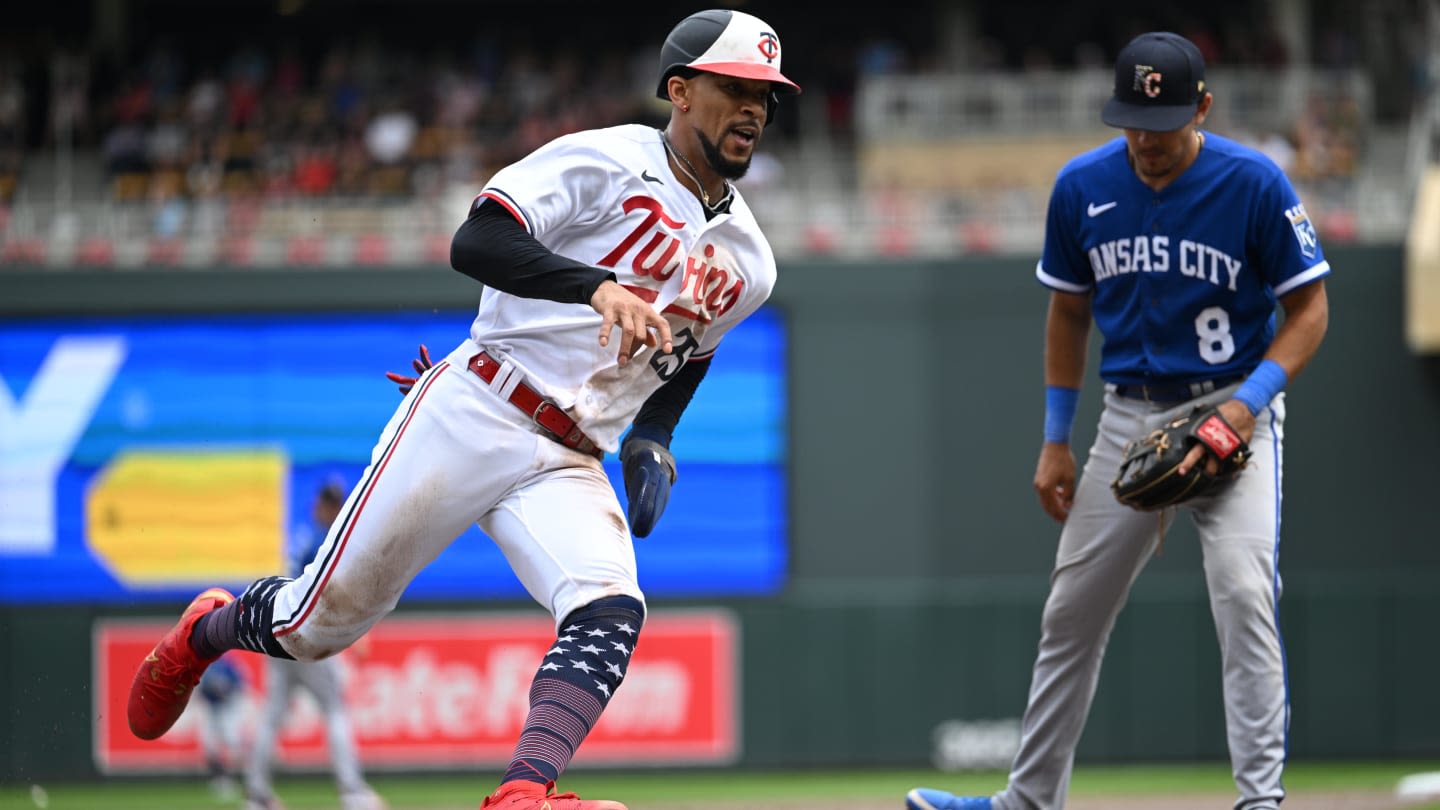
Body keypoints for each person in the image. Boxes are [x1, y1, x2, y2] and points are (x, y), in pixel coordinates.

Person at [124, 10, 798, 810]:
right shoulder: (607, 159)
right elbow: (476, 242)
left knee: (610, 609)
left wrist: (655, 433)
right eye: (736, 87)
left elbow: (696, 346)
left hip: (571, 454)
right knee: (316, 626)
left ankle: (523, 793)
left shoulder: (751, 262)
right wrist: (595, 285)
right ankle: (204, 633)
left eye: (767, 94)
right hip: (481, 401)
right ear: (681, 92)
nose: (754, 107)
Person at [907, 31, 1329, 810]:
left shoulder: (1255, 183)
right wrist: (1054, 438)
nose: (1143, 139)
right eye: (1131, 118)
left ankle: (1260, 800)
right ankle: (1027, 801)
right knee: (1070, 613)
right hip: (1130, 418)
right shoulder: (1082, 187)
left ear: (1201, 108)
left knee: (1242, 592)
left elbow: (1309, 311)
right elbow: (1068, 316)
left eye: (1161, 122)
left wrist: (1243, 408)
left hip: (1234, 410)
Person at [243, 479, 385, 810]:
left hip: (275, 632)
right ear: (322, 507)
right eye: (331, 504)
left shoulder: (299, 538)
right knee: (335, 709)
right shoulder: (325, 541)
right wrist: (354, 635)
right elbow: (334, 594)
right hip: (306, 634)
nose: (334, 510)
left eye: (337, 504)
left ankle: (256, 795)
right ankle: (352, 792)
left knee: (273, 714)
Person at [195, 652, 248, 801]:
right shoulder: (204, 663)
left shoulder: (228, 663)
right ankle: (220, 781)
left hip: (228, 708)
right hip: (211, 708)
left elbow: (240, 685)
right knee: (209, 746)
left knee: (233, 743)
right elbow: (199, 689)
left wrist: (225, 691)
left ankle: (240, 780)